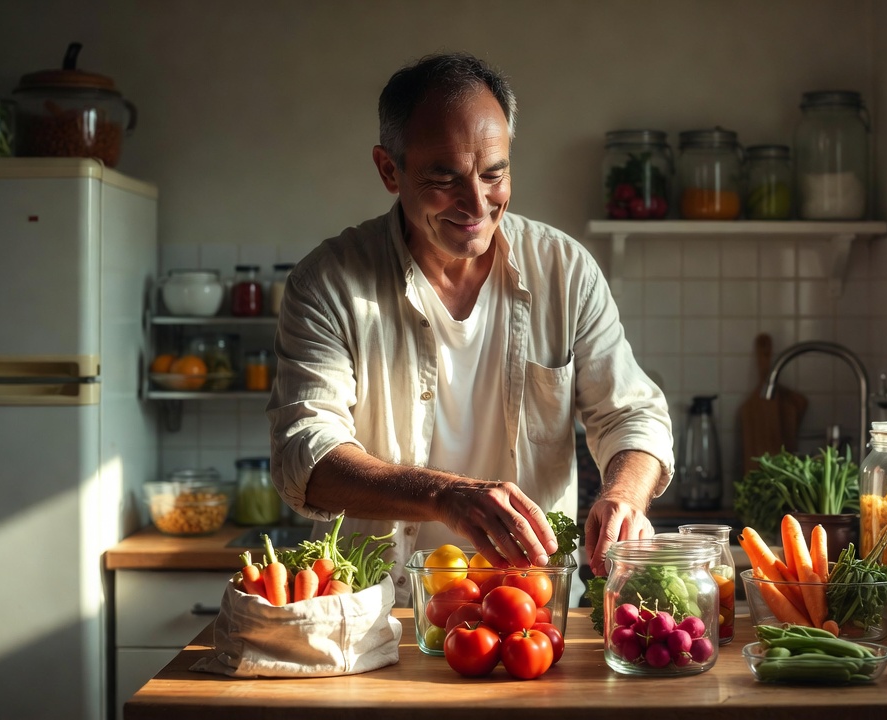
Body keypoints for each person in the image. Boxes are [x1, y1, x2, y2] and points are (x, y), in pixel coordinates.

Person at [267, 51, 673, 604]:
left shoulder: (564, 269)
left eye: (494, 174)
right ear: (390, 170)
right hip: (374, 615)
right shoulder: (328, 282)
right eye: (444, 178)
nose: (477, 203)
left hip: (531, 613)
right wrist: (443, 495)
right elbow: (306, 457)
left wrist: (624, 495)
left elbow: (632, 413)